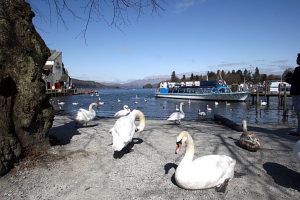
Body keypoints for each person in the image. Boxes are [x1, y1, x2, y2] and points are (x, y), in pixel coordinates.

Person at [285, 53, 300, 135]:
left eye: (297, 58)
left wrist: (287, 78)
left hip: (298, 94)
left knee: (299, 112)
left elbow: (293, 80)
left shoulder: (298, 69)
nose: (296, 60)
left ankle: (299, 131)